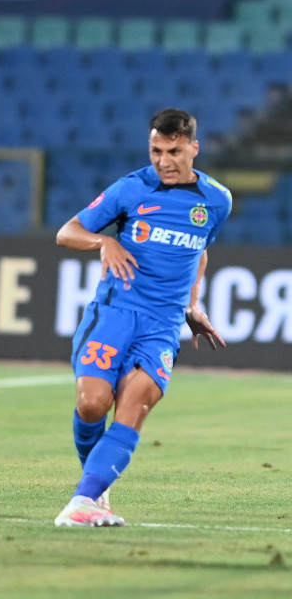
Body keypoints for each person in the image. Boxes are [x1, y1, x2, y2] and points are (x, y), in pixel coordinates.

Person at [53, 108, 232, 527]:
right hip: (115, 312)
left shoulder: (216, 201)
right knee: (93, 403)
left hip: (163, 325)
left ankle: (84, 501)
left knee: (133, 405)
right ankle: (97, 486)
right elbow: (67, 232)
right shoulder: (131, 189)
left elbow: (199, 252)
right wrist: (103, 243)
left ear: (193, 148)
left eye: (173, 151)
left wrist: (192, 306)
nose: (163, 161)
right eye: (156, 150)